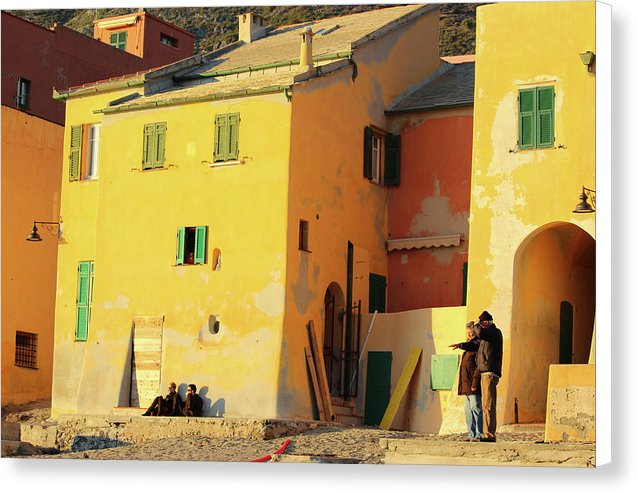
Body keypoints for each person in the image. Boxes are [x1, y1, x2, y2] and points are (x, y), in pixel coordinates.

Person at [473, 310, 503, 442]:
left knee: (488, 404)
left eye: (482, 322)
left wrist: (476, 325)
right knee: (486, 404)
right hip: (484, 372)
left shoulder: (494, 333)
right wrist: (462, 345)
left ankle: (489, 434)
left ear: (486, 322)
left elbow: (480, 333)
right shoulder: (487, 335)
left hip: (490, 373)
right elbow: (475, 343)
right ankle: (487, 433)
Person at [449, 322, 483, 441]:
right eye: (468, 334)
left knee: (476, 409)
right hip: (465, 385)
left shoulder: (477, 347)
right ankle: (471, 434)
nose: (469, 336)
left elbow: (477, 368)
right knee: (468, 411)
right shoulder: (468, 348)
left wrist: (474, 383)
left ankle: (479, 434)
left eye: (471, 334)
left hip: (472, 385)